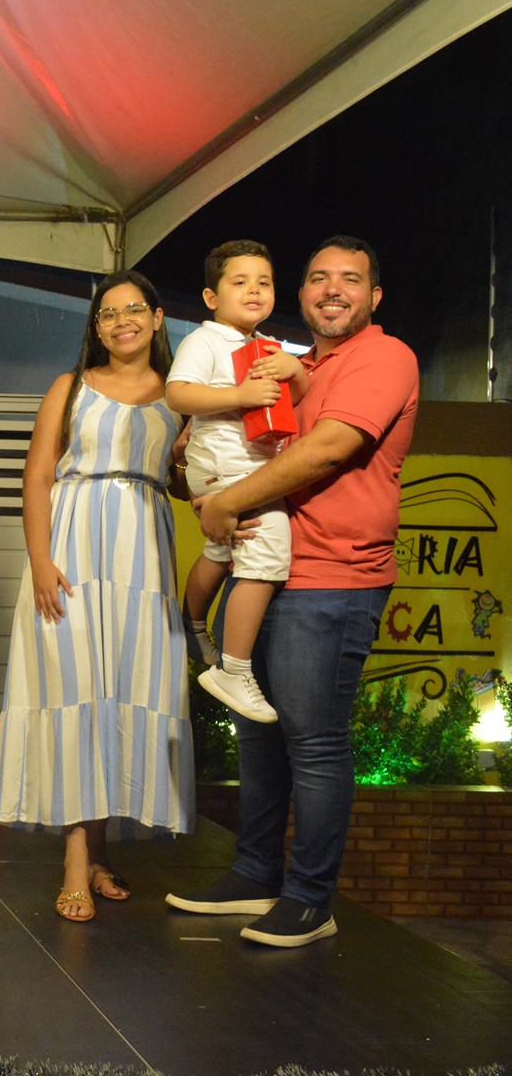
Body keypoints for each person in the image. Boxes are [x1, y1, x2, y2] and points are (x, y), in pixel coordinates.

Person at [166, 237, 418, 948]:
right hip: (263, 570)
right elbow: (223, 447)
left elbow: (328, 448)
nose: (332, 289)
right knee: (259, 738)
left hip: (331, 579)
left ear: (374, 296)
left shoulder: (383, 356)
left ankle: (310, 898)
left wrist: (227, 500)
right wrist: (199, 469)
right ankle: (255, 873)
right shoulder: (287, 363)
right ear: (301, 294)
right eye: (318, 278)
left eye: (350, 279)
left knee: (314, 742)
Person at [0, 271, 192, 921]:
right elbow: (37, 475)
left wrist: (192, 461)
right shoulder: (69, 387)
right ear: (96, 326)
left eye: (133, 310)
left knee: (120, 696)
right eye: (108, 313)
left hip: (143, 554)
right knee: (73, 693)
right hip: (72, 548)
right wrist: (41, 561)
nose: (121, 321)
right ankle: (76, 862)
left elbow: (185, 483)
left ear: (157, 318)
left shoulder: (181, 394)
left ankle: (98, 855)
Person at [166, 241, 308, 724]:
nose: (254, 290)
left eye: (264, 282)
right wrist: (240, 395)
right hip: (230, 466)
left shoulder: (263, 344)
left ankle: (192, 623)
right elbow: (177, 393)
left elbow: (294, 401)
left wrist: (296, 371)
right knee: (267, 554)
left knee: (221, 551)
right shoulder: (206, 341)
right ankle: (234, 670)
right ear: (211, 297)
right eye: (240, 282)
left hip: (243, 462)